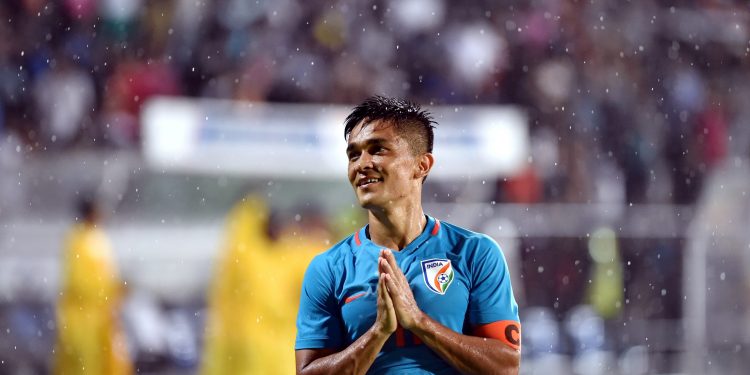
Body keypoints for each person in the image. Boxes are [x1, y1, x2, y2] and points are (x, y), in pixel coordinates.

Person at [295, 96, 521, 374]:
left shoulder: (475, 253)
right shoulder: (328, 269)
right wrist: (378, 333)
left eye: (377, 149)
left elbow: (506, 367)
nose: (361, 164)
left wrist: (418, 322)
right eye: (354, 154)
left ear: (422, 165)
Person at [54, 196, 131, 375]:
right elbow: (81, 282)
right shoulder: (78, 241)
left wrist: (117, 290)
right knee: (84, 365)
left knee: (104, 364)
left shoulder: (97, 238)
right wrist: (109, 293)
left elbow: (105, 276)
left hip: (101, 316)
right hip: (84, 318)